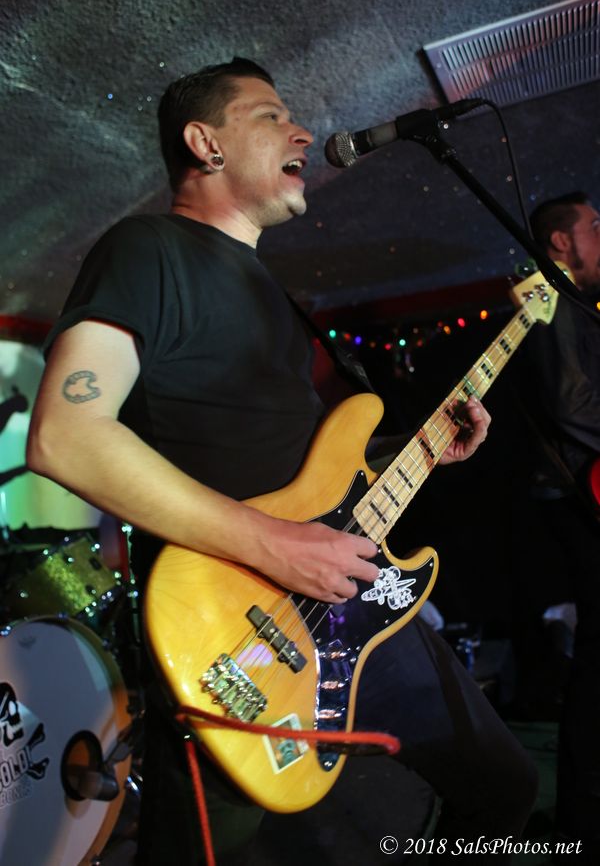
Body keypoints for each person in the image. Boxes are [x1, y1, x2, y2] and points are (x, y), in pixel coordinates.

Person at [27, 58, 536, 863]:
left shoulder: (272, 290)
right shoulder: (148, 248)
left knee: (504, 789)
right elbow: (66, 433)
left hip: (348, 601)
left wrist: (416, 452)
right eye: (269, 116)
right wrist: (275, 545)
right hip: (232, 626)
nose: (301, 131)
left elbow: (292, 462)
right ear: (205, 144)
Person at [524, 193, 600, 863]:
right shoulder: (549, 298)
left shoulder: (575, 303)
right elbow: (573, 405)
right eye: (594, 227)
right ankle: (579, 820)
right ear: (560, 243)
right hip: (579, 495)